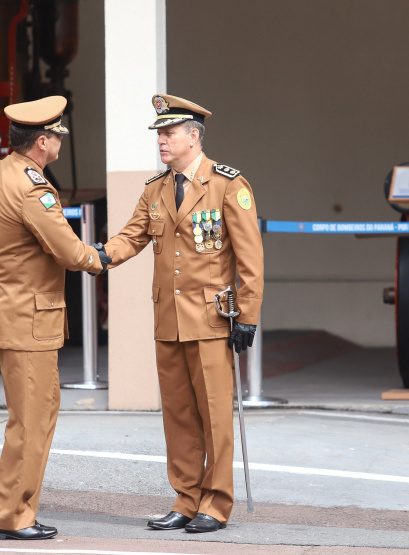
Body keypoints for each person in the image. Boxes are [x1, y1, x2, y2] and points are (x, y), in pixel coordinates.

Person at [102, 94, 264, 533]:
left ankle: (216, 502)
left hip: (212, 320)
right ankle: (185, 498)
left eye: (169, 132)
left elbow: (250, 258)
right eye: (159, 133)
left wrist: (247, 315)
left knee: (214, 415)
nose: (161, 141)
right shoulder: (156, 188)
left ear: (193, 136)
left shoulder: (229, 185)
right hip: (169, 319)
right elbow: (131, 237)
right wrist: (95, 257)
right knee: (178, 416)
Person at [0, 95, 111, 541]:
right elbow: (70, 252)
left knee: (27, 417)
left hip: (6, 312)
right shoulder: (32, 186)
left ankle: (12, 511)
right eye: (58, 136)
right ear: (43, 142)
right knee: (32, 420)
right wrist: (103, 256)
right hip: (29, 320)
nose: (60, 143)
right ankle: (11, 515)